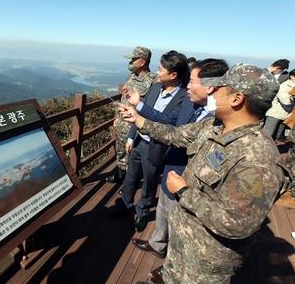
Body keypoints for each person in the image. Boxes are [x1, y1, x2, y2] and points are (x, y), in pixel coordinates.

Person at [120, 63, 291, 283]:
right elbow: (176, 135)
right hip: (182, 248)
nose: (210, 91)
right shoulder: (215, 126)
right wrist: (138, 120)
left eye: (217, 87)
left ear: (236, 99)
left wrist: (183, 190)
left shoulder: (257, 159)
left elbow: (237, 224)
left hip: (206, 264)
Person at [126, 59, 229, 282]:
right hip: (173, 169)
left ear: (210, 86)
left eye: (192, 82)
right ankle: (157, 245)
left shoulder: (221, 121)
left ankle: (169, 266)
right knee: (164, 212)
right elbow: (173, 129)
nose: (188, 86)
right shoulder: (191, 104)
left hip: (193, 187)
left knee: (181, 228)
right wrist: (138, 118)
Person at [110, 50, 189, 234]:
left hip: (157, 146)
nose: (158, 71)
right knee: (131, 174)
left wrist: (139, 105)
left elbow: (167, 122)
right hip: (139, 140)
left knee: (149, 181)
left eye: (161, 69)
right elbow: (138, 116)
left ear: (173, 74)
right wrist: (131, 136)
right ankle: (125, 203)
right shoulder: (155, 88)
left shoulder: (183, 97)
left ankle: (142, 212)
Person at [111, 46, 156, 183]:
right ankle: (120, 174)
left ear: (142, 62)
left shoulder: (152, 81)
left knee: (132, 154)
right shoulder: (132, 76)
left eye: (133, 59)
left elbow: (150, 106)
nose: (130, 62)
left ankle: (130, 182)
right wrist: (116, 118)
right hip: (122, 122)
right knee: (120, 150)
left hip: (135, 125)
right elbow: (123, 99)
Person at [264, 69, 295, 140]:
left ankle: (273, 150)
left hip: (286, 115)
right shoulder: (284, 86)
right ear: (292, 77)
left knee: (277, 137)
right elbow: (286, 102)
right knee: (267, 135)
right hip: (275, 114)